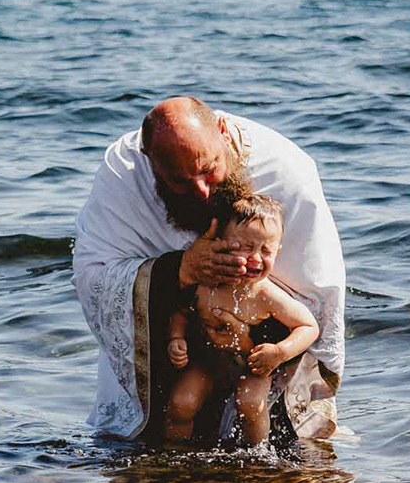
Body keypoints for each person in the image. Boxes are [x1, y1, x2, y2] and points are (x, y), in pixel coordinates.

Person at [72, 96, 344, 442]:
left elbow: (318, 297)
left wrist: (257, 332)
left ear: (222, 132)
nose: (201, 190)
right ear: (151, 162)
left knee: (266, 423)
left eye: (208, 168)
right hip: (186, 367)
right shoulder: (125, 175)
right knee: (174, 416)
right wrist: (181, 270)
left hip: (260, 360)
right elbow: (94, 277)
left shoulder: (286, 172)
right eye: (181, 181)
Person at [166, 191, 320, 446]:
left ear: (278, 251)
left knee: (250, 405)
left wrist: (280, 352)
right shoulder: (205, 285)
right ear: (221, 244)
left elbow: (308, 326)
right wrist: (176, 338)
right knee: (181, 403)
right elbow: (182, 311)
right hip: (208, 362)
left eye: (266, 250)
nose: (256, 258)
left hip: (252, 365)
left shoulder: (265, 295)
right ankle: (172, 454)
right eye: (246, 248)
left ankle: (257, 456)